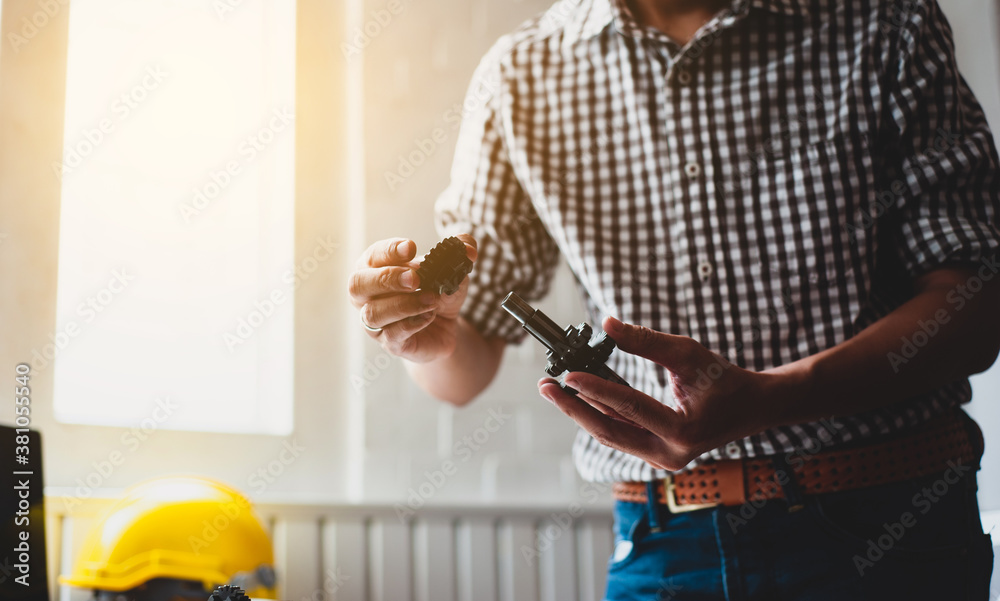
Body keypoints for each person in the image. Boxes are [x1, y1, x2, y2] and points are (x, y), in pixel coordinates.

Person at [348, 0, 1000, 597]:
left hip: (893, 526)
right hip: (662, 545)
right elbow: (459, 371)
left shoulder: (883, 22)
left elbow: (976, 303)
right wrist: (425, 336)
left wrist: (775, 398)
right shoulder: (518, 74)